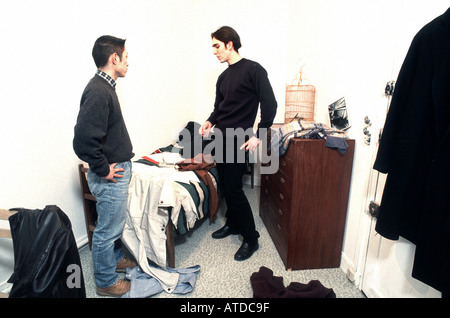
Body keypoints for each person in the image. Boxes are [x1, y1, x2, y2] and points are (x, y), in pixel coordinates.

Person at [200, 26, 277, 261]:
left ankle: (251, 238)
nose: (214, 51)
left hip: (237, 139)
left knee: (234, 189)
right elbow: (219, 108)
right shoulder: (223, 77)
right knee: (225, 185)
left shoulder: (254, 70)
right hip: (220, 138)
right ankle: (233, 224)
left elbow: (270, 104)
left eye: (216, 46)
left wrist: (258, 134)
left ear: (229, 44)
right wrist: (209, 121)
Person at [73, 35, 136, 297]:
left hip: (115, 170)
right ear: (114, 58)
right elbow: (83, 141)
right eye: (126, 56)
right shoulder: (99, 90)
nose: (128, 62)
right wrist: (103, 169)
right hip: (110, 175)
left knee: (113, 226)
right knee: (106, 232)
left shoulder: (106, 87)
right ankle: (106, 281)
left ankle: (115, 259)